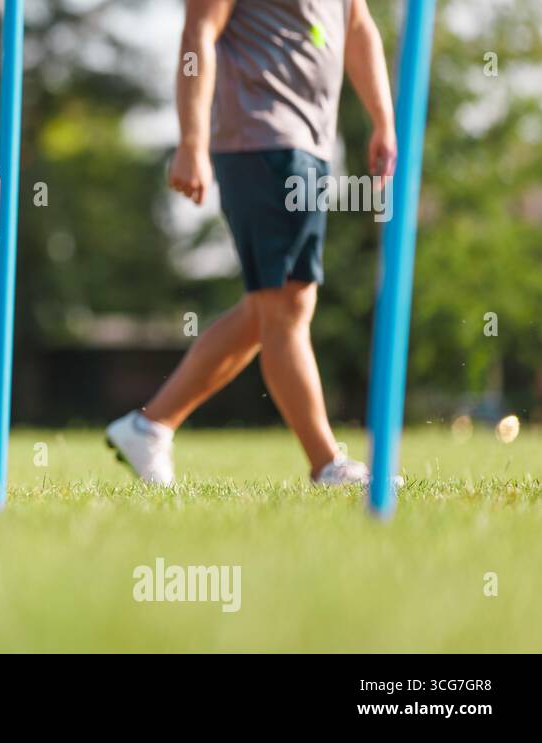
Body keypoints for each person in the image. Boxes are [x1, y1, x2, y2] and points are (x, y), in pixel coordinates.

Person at [108, 0, 397, 487]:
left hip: (312, 144)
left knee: (277, 305)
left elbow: (358, 25)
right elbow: (198, 32)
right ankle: (327, 463)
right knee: (283, 309)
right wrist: (191, 141)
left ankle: (150, 425)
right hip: (259, 138)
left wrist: (382, 119)